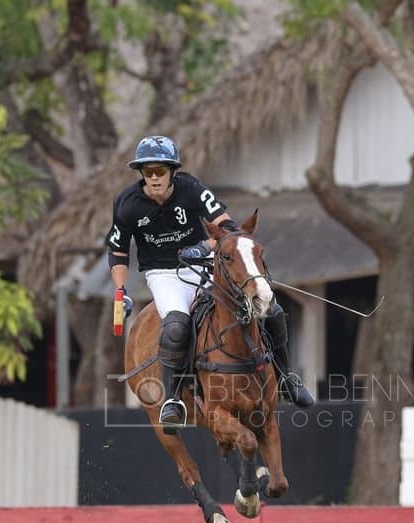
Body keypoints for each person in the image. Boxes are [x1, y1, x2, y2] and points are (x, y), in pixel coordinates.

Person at [106, 135, 314, 430]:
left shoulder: (191, 188)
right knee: (176, 327)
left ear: (172, 171)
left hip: (203, 264)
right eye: (147, 171)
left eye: (160, 170)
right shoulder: (127, 204)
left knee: (271, 311)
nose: (154, 177)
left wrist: (204, 247)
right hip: (164, 275)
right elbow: (118, 251)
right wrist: (120, 291)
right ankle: (173, 400)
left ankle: (286, 378)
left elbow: (226, 226)